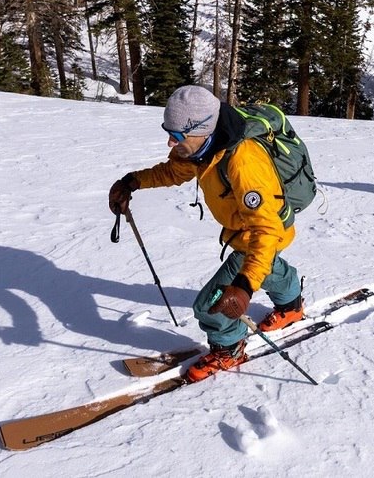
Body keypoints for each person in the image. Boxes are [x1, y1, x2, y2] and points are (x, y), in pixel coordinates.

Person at [108, 85, 305, 382]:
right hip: (248, 229)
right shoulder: (204, 148)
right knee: (268, 268)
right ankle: (291, 305)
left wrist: (243, 287)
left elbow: (266, 231)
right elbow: (174, 172)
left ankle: (230, 349)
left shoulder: (243, 163)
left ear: (200, 130)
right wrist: (133, 181)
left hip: (260, 233)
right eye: (168, 133)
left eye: (176, 136)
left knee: (211, 306)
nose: (170, 143)